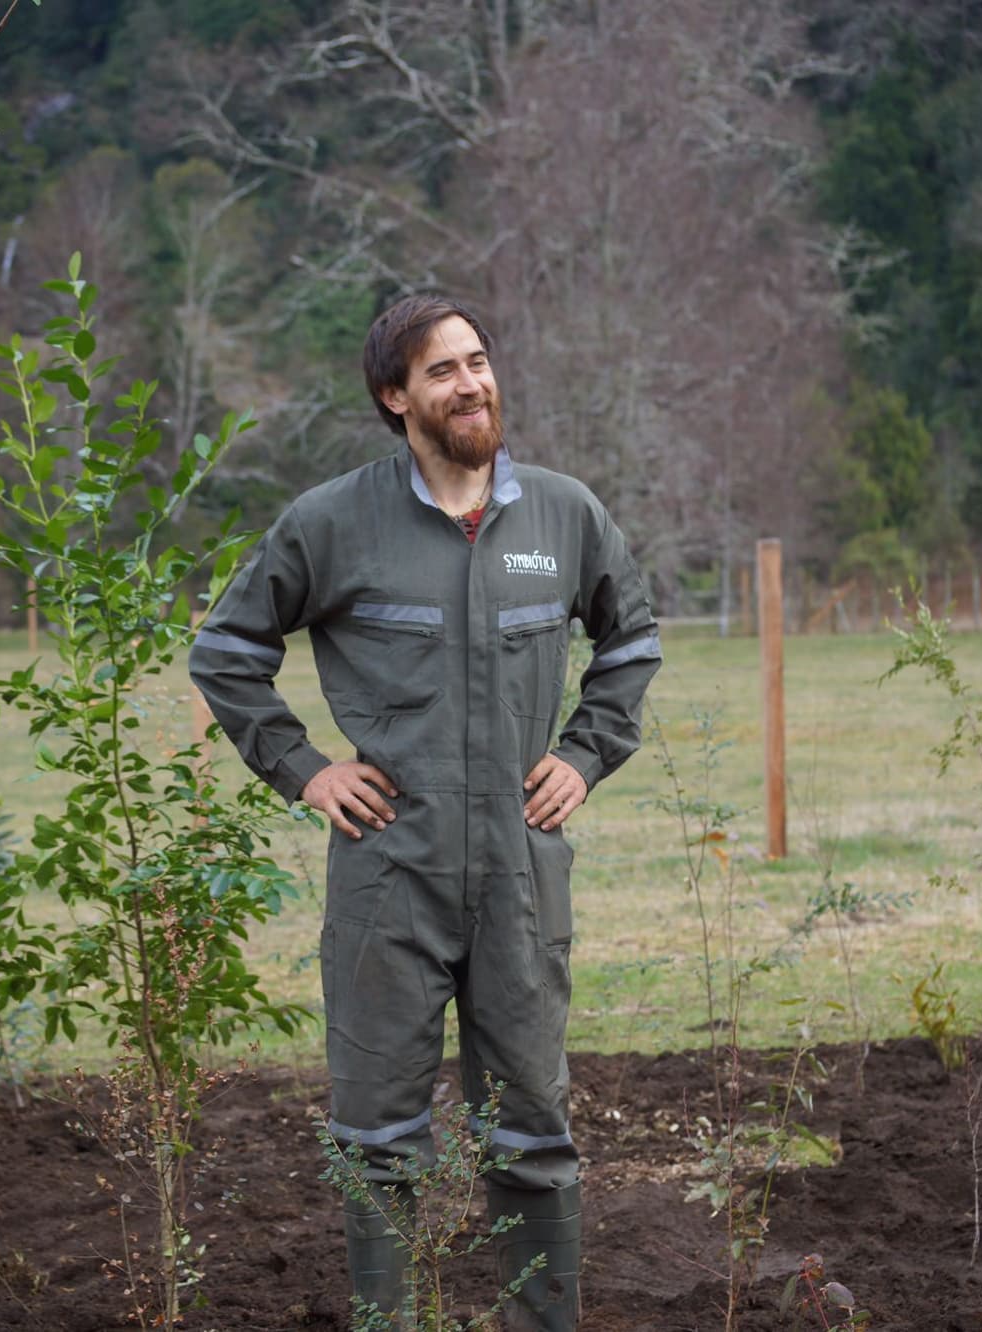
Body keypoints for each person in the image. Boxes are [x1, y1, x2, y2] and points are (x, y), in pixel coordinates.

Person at [188, 295, 661, 1329]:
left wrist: (585, 754)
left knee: (533, 1136)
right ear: (395, 396)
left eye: (478, 361)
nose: (471, 383)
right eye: (442, 370)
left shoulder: (564, 516)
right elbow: (225, 652)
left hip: (521, 873)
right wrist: (305, 770)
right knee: (377, 1144)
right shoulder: (333, 522)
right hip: (388, 872)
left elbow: (630, 641)